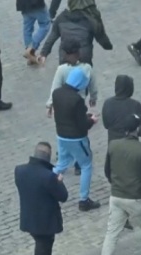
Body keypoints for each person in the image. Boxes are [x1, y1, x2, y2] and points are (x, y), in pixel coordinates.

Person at [102, 113, 141, 255]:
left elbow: (107, 171)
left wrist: (115, 184)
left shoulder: (113, 145)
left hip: (116, 196)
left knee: (112, 233)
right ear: (138, 129)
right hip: (137, 197)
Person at [50, 67, 100, 211]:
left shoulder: (56, 93)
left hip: (61, 136)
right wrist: (92, 120)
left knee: (61, 164)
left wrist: (85, 117)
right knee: (86, 165)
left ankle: (44, 184)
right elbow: (82, 124)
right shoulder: (77, 99)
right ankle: (84, 200)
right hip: (76, 139)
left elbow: (66, 114)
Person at [14, 141, 69, 255]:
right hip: (45, 223)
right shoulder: (49, 177)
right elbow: (63, 196)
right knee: (44, 248)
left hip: (29, 218)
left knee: (40, 246)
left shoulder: (19, 171)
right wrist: (59, 182)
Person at [39, 0, 112, 66]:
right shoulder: (91, 19)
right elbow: (103, 41)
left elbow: (51, 38)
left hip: (65, 59)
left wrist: (43, 54)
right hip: (84, 60)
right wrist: (108, 46)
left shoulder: (61, 18)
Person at [102, 75, 141, 142]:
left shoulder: (107, 103)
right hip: (131, 142)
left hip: (113, 142)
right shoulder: (135, 105)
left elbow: (106, 125)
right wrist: (137, 133)